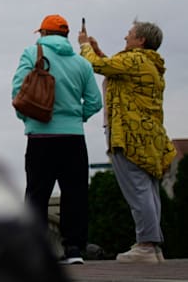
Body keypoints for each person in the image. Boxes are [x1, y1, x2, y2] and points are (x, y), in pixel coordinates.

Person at [80, 20, 176, 264]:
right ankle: (152, 246)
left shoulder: (134, 59)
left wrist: (84, 46)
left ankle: (146, 245)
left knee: (138, 190)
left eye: (130, 34)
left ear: (141, 40)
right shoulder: (149, 64)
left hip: (129, 134)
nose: (126, 37)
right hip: (149, 135)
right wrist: (99, 50)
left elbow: (95, 65)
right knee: (149, 189)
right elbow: (115, 70)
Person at [11, 14, 102, 265]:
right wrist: (76, 117)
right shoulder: (81, 63)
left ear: (43, 33)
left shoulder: (32, 53)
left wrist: (28, 119)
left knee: (37, 193)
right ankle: (73, 249)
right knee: (75, 193)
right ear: (66, 35)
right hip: (73, 137)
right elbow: (95, 101)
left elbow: (18, 90)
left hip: (40, 136)